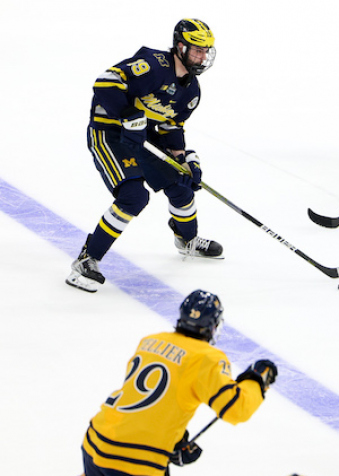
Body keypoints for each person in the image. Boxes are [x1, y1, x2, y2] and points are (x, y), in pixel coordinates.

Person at [67, 19, 223, 293]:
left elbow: (170, 126)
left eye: (206, 51)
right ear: (180, 47)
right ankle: (86, 259)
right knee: (134, 197)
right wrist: (127, 114)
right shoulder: (153, 65)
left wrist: (185, 159)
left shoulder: (192, 91)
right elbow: (105, 82)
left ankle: (187, 240)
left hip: (143, 138)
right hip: (110, 134)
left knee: (181, 185)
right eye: (198, 50)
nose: (203, 56)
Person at [64, 290, 278, 476]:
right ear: (214, 325)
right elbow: (236, 409)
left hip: (96, 439)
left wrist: (175, 439)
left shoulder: (150, 341)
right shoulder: (207, 358)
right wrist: (256, 380)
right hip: (138, 462)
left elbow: (151, 400)